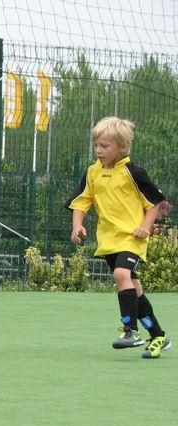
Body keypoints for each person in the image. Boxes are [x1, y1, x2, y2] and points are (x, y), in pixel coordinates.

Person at [69, 116, 172, 358]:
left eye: (105, 146)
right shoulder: (93, 172)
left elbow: (155, 203)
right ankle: (158, 336)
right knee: (134, 288)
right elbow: (81, 201)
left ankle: (130, 331)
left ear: (122, 147)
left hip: (132, 238)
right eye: (96, 145)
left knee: (121, 274)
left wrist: (145, 227)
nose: (99, 150)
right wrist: (77, 225)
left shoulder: (133, 172)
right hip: (109, 240)